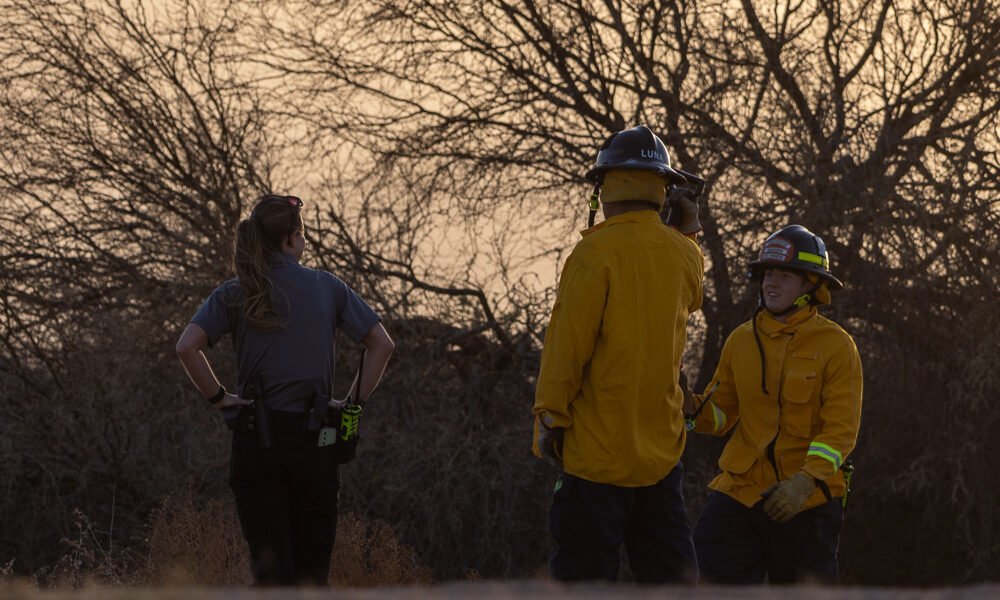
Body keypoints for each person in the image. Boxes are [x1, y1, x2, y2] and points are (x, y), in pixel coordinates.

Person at [175, 194, 395, 586]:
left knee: (271, 578)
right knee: (313, 579)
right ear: (293, 239)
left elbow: (186, 347)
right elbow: (382, 344)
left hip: (257, 440)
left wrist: (220, 398)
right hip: (318, 440)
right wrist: (351, 404)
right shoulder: (328, 287)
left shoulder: (235, 291)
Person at [532, 125, 704, 583]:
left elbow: (567, 346)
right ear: (660, 190)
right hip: (661, 458)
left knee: (585, 583)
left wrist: (550, 416)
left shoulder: (595, 254)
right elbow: (693, 292)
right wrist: (688, 227)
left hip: (596, 456)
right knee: (672, 585)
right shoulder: (685, 255)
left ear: (604, 188)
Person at [684, 224, 863, 584]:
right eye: (767, 274)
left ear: (812, 286)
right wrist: (686, 404)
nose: (771, 283)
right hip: (739, 491)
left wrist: (804, 482)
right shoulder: (741, 340)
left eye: (784, 275)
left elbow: (840, 431)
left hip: (806, 500)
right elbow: (720, 416)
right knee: (706, 579)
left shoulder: (836, 346)